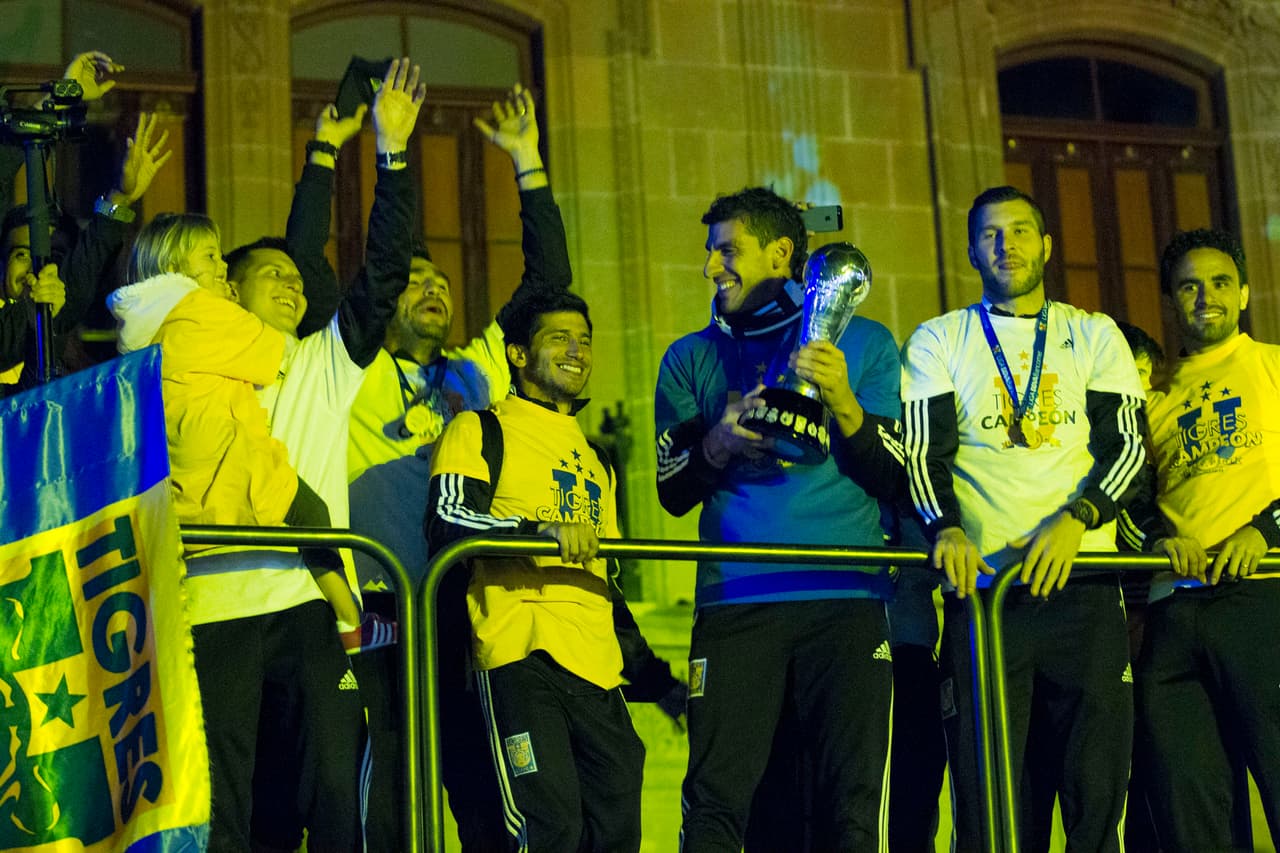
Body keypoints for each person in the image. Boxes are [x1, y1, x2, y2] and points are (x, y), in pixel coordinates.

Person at [341, 83, 683, 852]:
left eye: (440, 282)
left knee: (493, 804)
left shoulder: (472, 375)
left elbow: (547, 288)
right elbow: (381, 264)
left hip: (471, 610)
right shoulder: (354, 372)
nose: (431, 289)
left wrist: (528, 163)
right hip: (392, 610)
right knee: (392, 805)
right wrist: (391, 153)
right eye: (412, 281)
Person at [134, 58, 420, 852]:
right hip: (205, 609)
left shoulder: (319, 363)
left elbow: (383, 272)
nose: (294, 288)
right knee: (225, 813)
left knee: (334, 791)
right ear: (225, 291)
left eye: (299, 281)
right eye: (272, 276)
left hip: (304, 607)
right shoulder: (171, 370)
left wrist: (387, 153)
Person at [654, 186, 903, 851]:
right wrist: (717, 443)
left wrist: (844, 399)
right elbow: (671, 491)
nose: (712, 268)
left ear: (781, 252)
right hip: (737, 600)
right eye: (710, 254)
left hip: (846, 597)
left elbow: (894, 477)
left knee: (851, 810)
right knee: (716, 804)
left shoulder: (867, 340)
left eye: (727, 251)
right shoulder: (689, 356)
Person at [900, 185, 1147, 851]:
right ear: (974, 251)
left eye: (1018, 230)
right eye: (990, 234)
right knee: (990, 802)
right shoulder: (939, 338)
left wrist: (1079, 517)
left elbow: (1129, 448)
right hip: (986, 598)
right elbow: (924, 455)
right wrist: (943, 528)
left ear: (1046, 243)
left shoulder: (1093, 333)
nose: (1006, 244)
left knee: (1096, 793)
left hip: (1086, 593)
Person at [426, 287, 646, 853]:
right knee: (547, 830)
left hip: (599, 668)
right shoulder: (478, 429)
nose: (577, 351)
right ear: (518, 354)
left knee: (618, 830)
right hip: (520, 656)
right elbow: (448, 522)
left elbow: (608, 578)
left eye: (585, 340)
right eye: (559, 338)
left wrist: (658, 680)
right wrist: (538, 534)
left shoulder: (597, 458)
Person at [1130, 228, 1280, 853]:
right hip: (1175, 614)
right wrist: (1160, 541)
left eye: (1220, 283)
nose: (1206, 296)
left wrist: (1264, 529)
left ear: (1243, 292)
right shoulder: (1154, 397)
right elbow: (1135, 506)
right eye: (1189, 286)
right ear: (1171, 300)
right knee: (1194, 814)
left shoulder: (1272, 365)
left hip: (1263, 598)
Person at [2, 109, 170, 393]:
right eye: (22, 254)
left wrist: (121, 198)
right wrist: (42, 113)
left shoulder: (79, 377)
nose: (37, 270)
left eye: (52, 261)